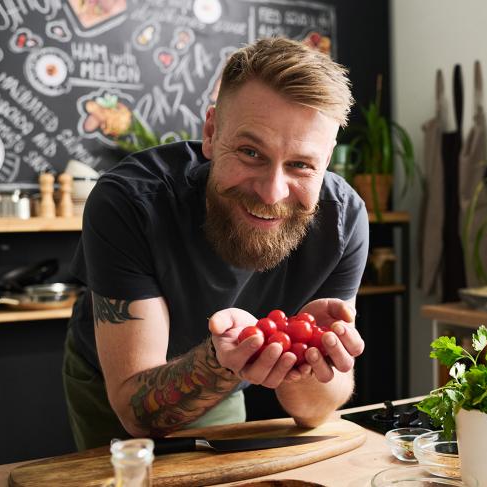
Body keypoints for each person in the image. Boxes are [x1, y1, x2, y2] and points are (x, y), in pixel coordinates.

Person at [62, 37, 368, 450]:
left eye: (301, 164)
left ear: (327, 160)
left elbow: (313, 412)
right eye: (250, 152)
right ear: (211, 132)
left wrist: (311, 358)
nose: (273, 192)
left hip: (220, 377)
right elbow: (135, 412)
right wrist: (219, 363)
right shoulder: (129, 202)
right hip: (119, 383)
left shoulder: (343, 220)